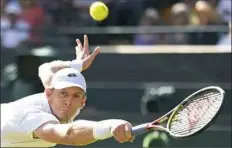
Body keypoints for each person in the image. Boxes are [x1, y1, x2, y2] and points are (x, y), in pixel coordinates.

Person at [1, 35, 134, 147]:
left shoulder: (53, 93)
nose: (68, 102)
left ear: (83, 102)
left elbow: (45, 68)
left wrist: (75, 65)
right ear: (49, 94)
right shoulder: (33, 116)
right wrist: (109, 127)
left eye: (76, 96)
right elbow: (69, 134)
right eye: (63, 93)